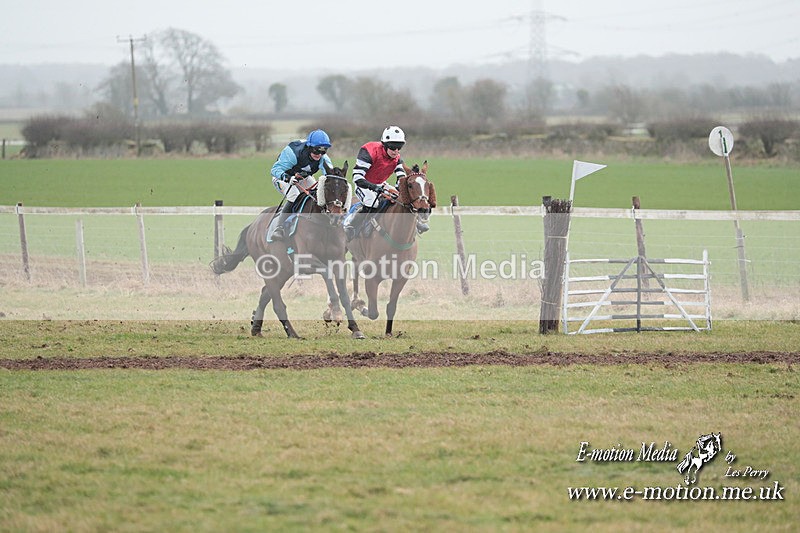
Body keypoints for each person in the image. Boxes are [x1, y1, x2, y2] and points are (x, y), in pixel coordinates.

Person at [344, 125, 428, 240]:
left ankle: (416, 223)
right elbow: (357, 177)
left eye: (399, 147)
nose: (396, 151)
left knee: (402, 199)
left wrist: (399, 188)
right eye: (393, 147)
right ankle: (350, 225)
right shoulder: (369, 151)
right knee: (372, 203)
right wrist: (373, 187)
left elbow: (401, 177)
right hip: (363, 184)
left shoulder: (397, 158)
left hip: (381, 184)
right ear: (385, 145)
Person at [269, 129, 333, 241]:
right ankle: (279, 228)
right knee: (294, 196)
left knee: (318, 194)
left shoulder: (323, 158)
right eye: (316, 151)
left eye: (323, 151)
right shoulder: (293, 153)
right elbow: (274, 170)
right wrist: (288, 178)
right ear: (309, 147)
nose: (319, 154)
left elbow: (329, 174)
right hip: (283, 177)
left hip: (303, 177)